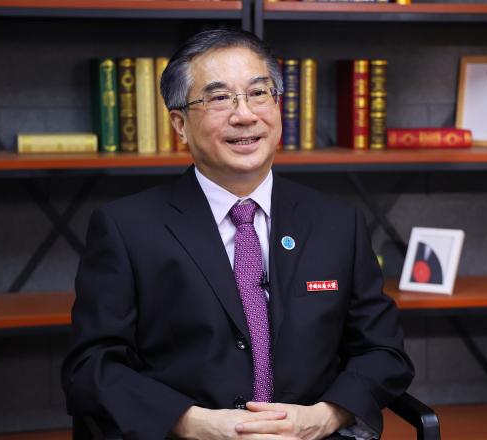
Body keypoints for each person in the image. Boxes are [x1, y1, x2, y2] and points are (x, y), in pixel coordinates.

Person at [61, 29, 413, 440]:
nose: (244, 115)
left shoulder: (336, 222)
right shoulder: (126, 228)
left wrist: (325, 416)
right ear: (180, 124)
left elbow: (383, 352)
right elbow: (91, 368)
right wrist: (196, 424)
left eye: (259, 93)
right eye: (219, 98)